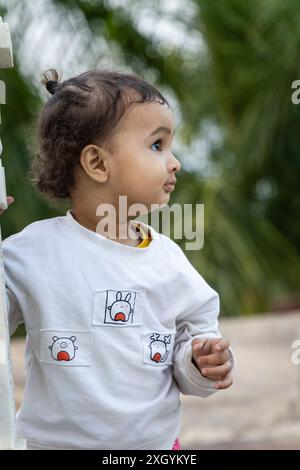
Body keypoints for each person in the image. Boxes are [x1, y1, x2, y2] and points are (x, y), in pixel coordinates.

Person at [1, 68, 234, 450]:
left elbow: (194, 345)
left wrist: (201, 361)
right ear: (97, 163)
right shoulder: (31, 253)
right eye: (157, 146)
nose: (175, 162)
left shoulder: (168, 260)